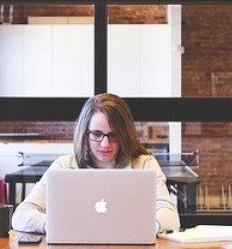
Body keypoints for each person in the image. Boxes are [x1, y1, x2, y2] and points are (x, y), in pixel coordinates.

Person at [11, 93, 180, 234]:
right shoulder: (63, 166)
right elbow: (20, 216)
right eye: (97, 134)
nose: (105, 144)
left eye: (113, 135)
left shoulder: (144, 165)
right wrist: (55, 225)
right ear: (85, 134)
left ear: (125, 134)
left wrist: (144, 228)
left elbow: (171, 218)